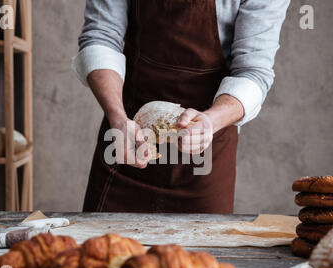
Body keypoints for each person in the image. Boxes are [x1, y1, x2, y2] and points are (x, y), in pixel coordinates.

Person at [73, 0, 290, 214]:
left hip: (207, 146)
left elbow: (252, 72)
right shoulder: (121, 123)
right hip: (127, 137)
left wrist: (209, 121)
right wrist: (118, 117)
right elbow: (101, 36)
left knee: (203, 248)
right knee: (103, 248)